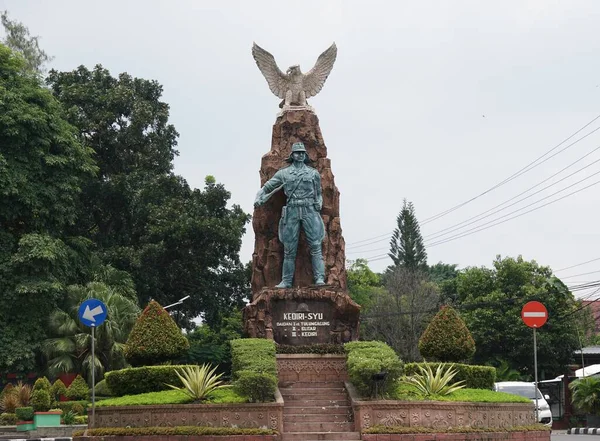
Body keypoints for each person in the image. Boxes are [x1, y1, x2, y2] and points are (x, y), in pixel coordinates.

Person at [254, 142, 326, 288]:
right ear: (292, 155)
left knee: (315, 246)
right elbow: (267, 187)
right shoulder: (284, 173)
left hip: (309, 210)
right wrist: (258, 197)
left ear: (305, 155)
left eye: (302, 152)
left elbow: (319, 194)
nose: (300, 155)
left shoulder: (313, 173)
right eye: (297, 152)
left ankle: (319, 278)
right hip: (292, 210)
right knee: (289, 248)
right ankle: (286, 281)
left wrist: (319, 202)